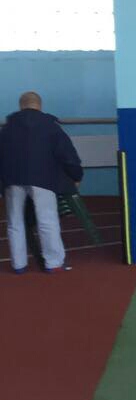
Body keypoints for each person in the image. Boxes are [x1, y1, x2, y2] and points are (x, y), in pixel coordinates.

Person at [0, 91, 83, 273]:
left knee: (15, 222)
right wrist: (76, 175)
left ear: (21, 105)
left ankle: (18, 264)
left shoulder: (6, 128)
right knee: (47, 220)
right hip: (43, 179)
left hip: (12, 180)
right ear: (39, 105)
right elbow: (67, 155)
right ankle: (53, 263)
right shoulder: (50, 127)